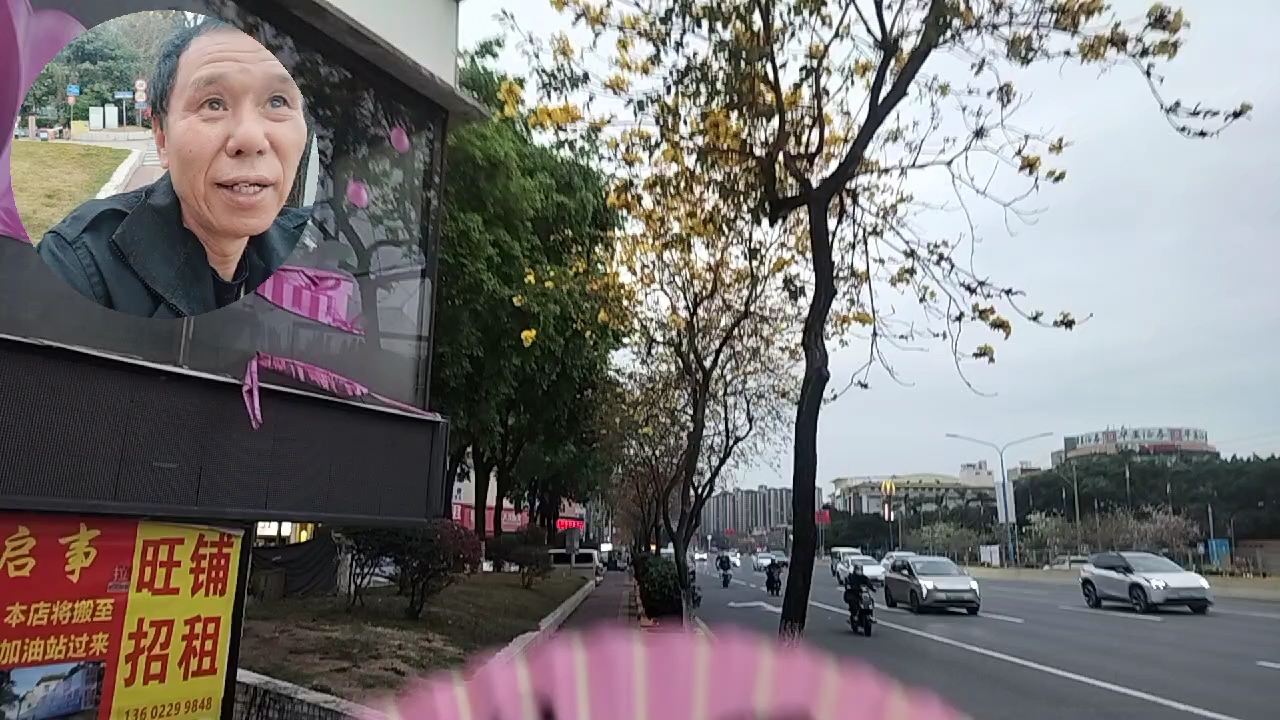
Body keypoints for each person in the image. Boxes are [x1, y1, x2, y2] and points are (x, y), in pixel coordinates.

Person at [36, 18, 310, 318]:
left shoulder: (316, 255)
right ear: (162, 137)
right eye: (213, 104)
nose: (251, 139)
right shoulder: (80, 266)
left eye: (277, 101)